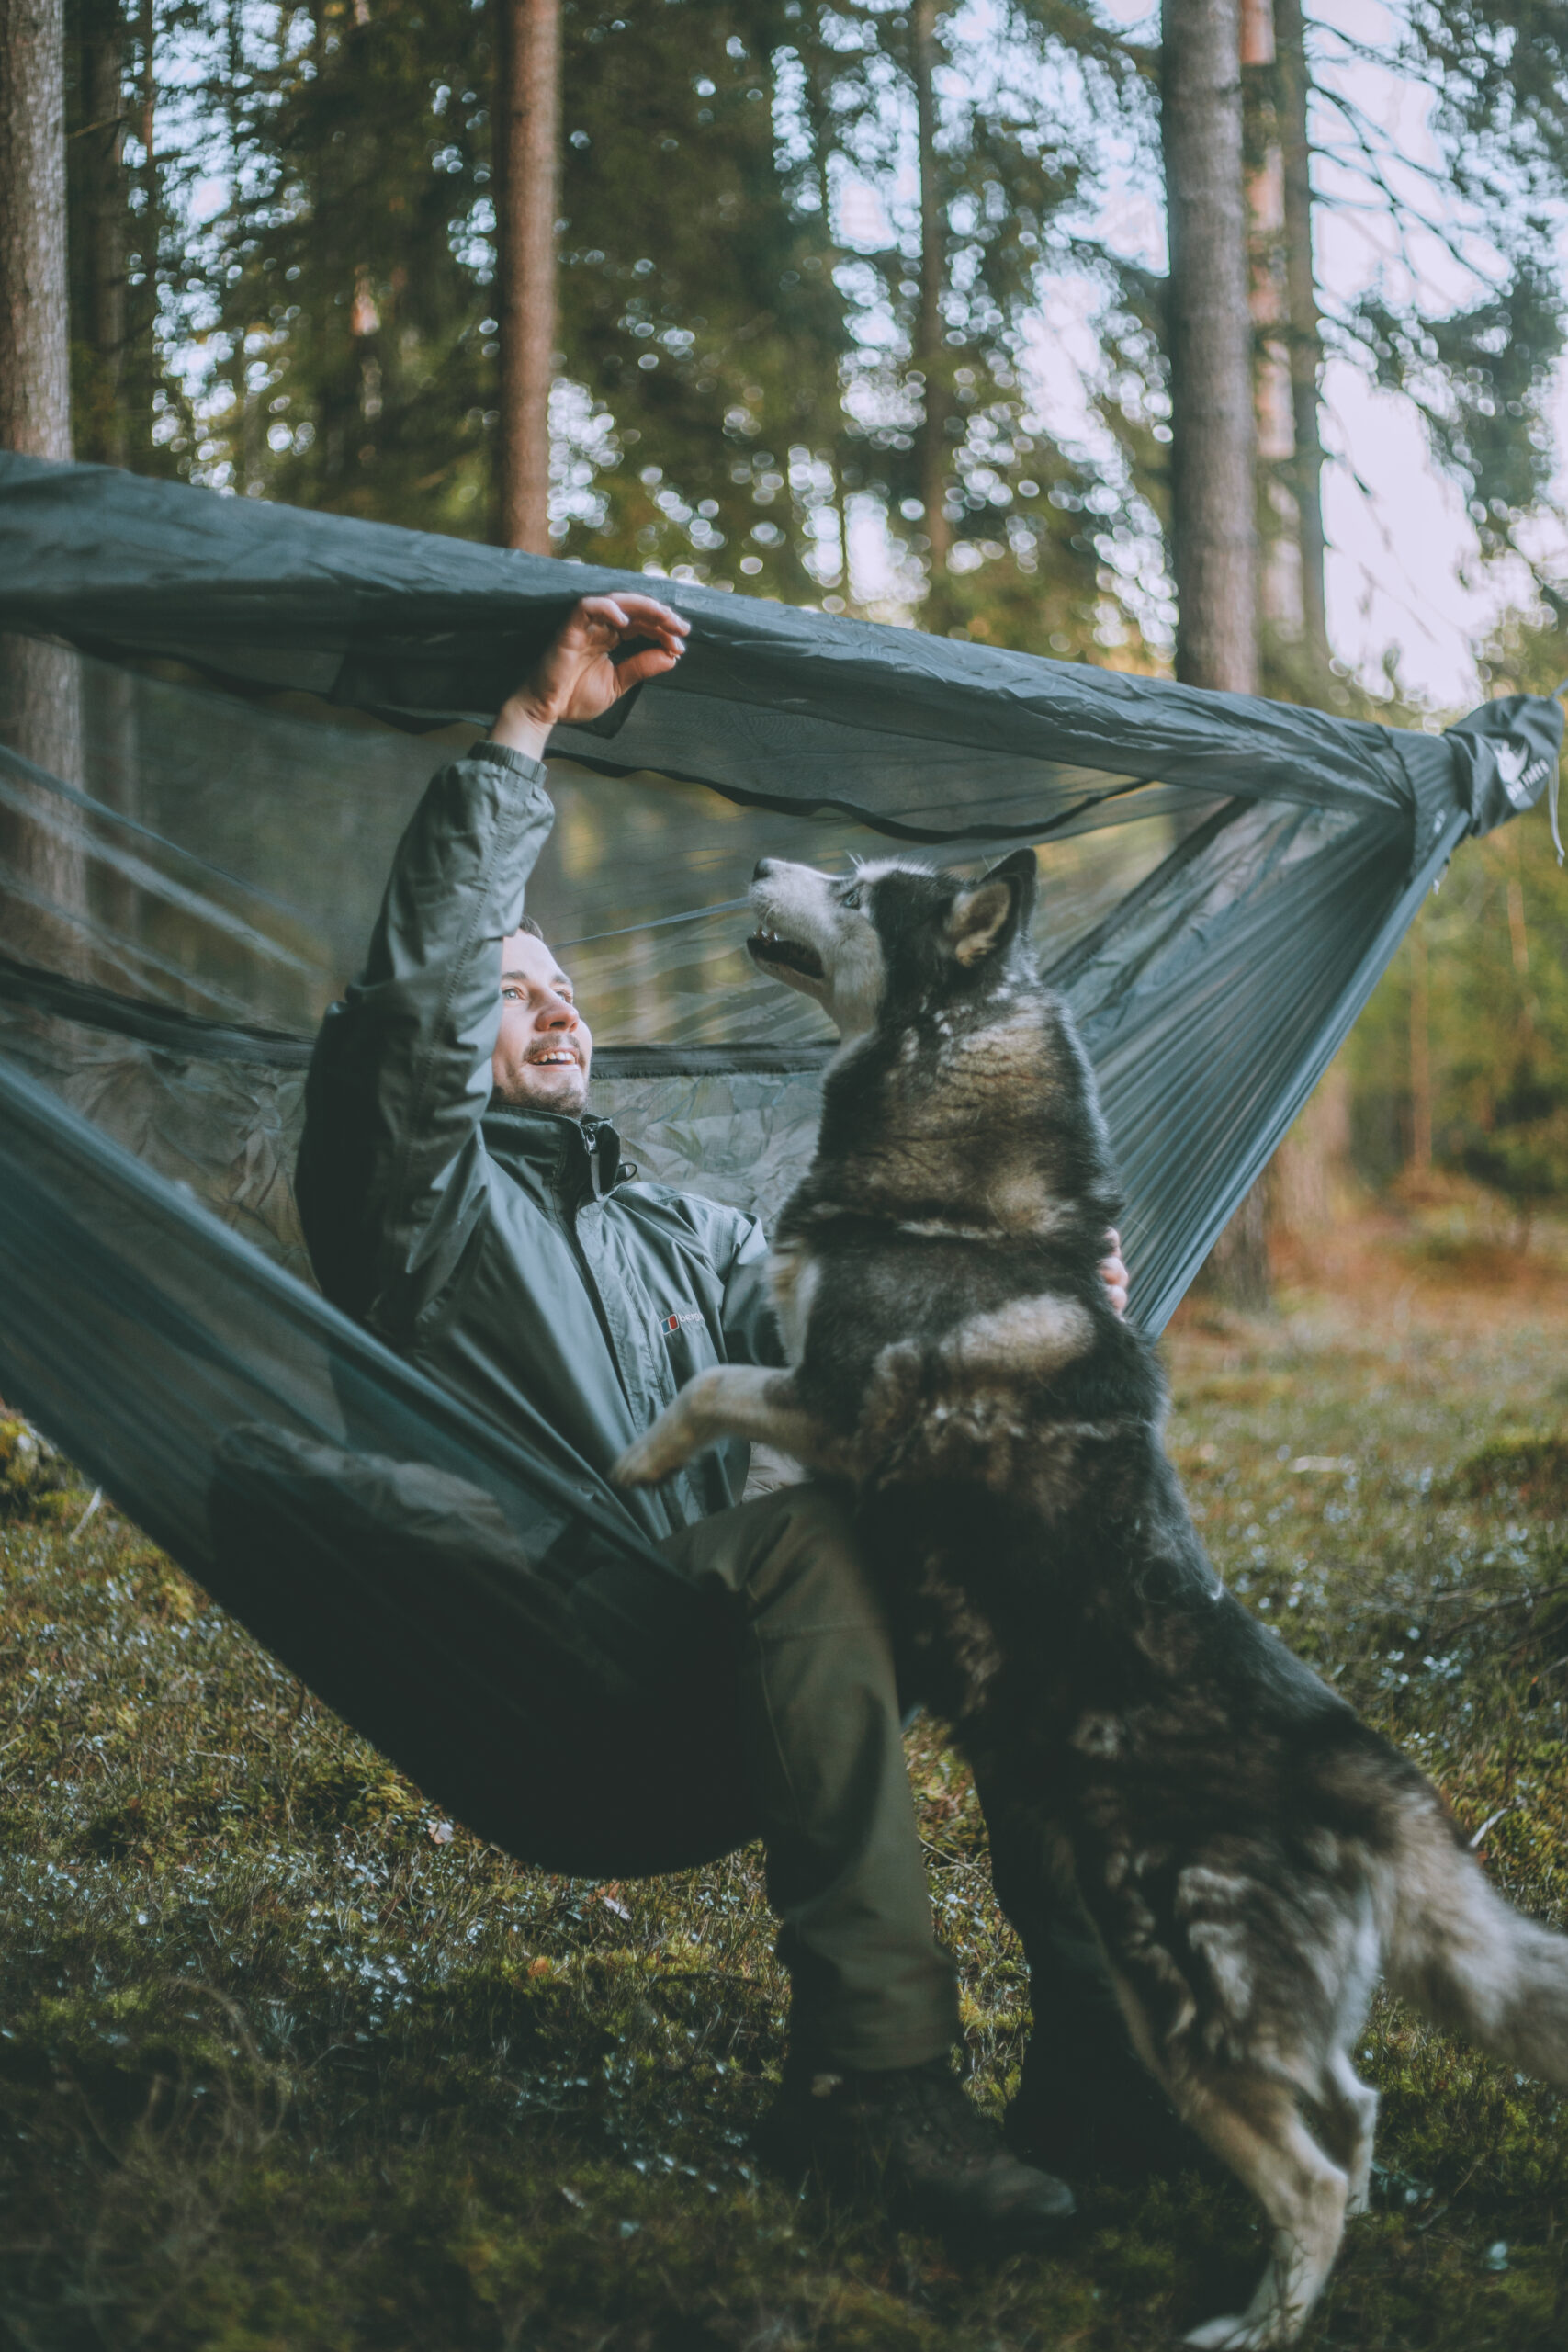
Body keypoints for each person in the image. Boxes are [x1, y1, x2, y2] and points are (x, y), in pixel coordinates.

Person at [295, 593, 1165, 2256]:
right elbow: (413, 1013)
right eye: (507, 986)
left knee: (1017, 1557)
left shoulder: (671, 1226)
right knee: (815, 1545)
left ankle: (1107, 2056)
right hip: (566, 1637)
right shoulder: (416, 1205)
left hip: (744, 1619)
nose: (551, 1009)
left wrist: (1049, 1315)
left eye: (561, 987)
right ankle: (871, 2090)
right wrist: (526, 733)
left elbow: (867, 1372)